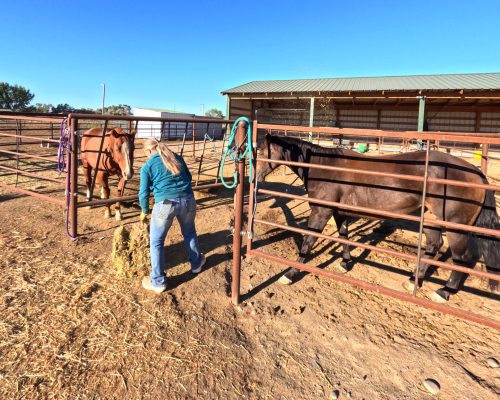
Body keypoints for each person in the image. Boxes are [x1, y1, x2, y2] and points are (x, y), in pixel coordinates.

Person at [139, 137, 205, 293]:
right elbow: (188, 178)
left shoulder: (148, 166)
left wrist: (145, 211)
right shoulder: (176, 157)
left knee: (156, 241)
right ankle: (196, 263)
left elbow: (143, 193)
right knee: (189, 232)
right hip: (188, 199)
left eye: (146, 154)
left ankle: (158, 281)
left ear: (149, 151)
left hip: (166, 202)